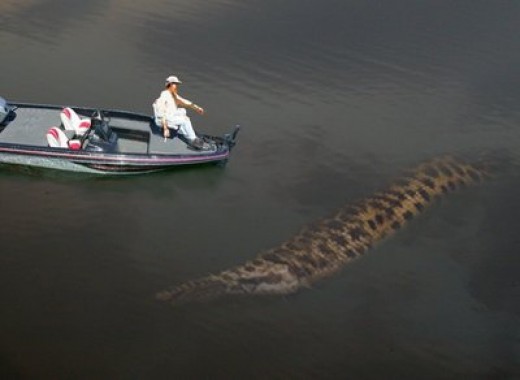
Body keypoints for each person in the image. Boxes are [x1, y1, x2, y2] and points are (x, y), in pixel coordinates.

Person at [153, 75, 205, 147]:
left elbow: (184, 102)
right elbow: (162, 113)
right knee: (185, 120)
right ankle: (193, 140)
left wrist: (197, 108)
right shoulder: (165, 95)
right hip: (163, 120)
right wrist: (165, 128)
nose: (176, 86)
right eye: (175, 84)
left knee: (183, 111)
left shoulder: (173, 95)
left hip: (169, 115)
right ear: (170, 84)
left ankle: (185, 131)